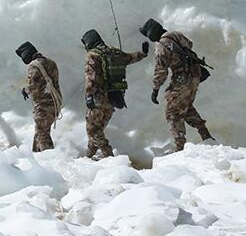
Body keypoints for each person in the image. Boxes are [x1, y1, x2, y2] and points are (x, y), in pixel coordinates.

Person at [140, 19, 213, 151]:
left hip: (182, 77)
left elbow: (161, 70)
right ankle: (206, 135)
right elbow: (190, 44)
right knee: (185, 106)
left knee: (173, 112)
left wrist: (155, 89)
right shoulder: (176, 34)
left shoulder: (161, 46)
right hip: (195, 74)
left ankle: (180, 147)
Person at [82, 29, 147, 159]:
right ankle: (89, 156)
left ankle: (109, 157)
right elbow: (130, 58)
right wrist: (143, 53)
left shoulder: (93, 55)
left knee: (92, 130)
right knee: (98, 128)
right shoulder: (114, 52)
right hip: (114, 96)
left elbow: (91, 77)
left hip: (99, 97)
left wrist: (89, 95)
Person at [16, 41, 62, 152]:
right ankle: (37, 157)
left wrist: (26, 90)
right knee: (41, 131)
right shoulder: (51, 62)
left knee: (42, 133)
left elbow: (35, 86)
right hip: (55, 103)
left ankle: (49, 159)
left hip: (43, 105)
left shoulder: (34, 65)